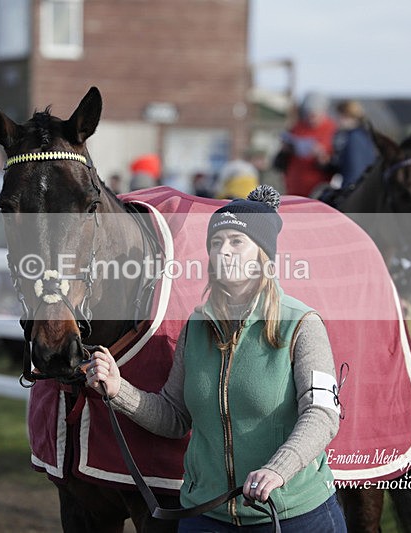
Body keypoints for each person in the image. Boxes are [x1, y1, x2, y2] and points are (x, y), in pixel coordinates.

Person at [86, 185, 346, 531]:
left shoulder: (302, 323)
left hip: (293, 516)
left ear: (263, 255)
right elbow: (175, 416)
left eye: (237, 242)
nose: (224, 251)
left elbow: (322, 414)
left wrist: (278, 469)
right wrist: (120, 390)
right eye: (216, 242)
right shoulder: (197, 325)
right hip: (205, 515)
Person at [280, 92, 336, 198]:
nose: (311, 118)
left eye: (314, 114)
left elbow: (336, 164)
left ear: (323, 112)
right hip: (294, 188)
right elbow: (280, 162)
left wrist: (322, 157)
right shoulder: (297, 127)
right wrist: (286, 149)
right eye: (308, 113)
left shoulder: (333, 130)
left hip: (318, 190)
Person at [328, 100, 376, 190]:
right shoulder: (364, 135)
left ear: (346, 116)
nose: (336, 120)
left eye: (338, 116)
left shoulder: (353, 138)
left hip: (353, 190)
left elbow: (353, 169)